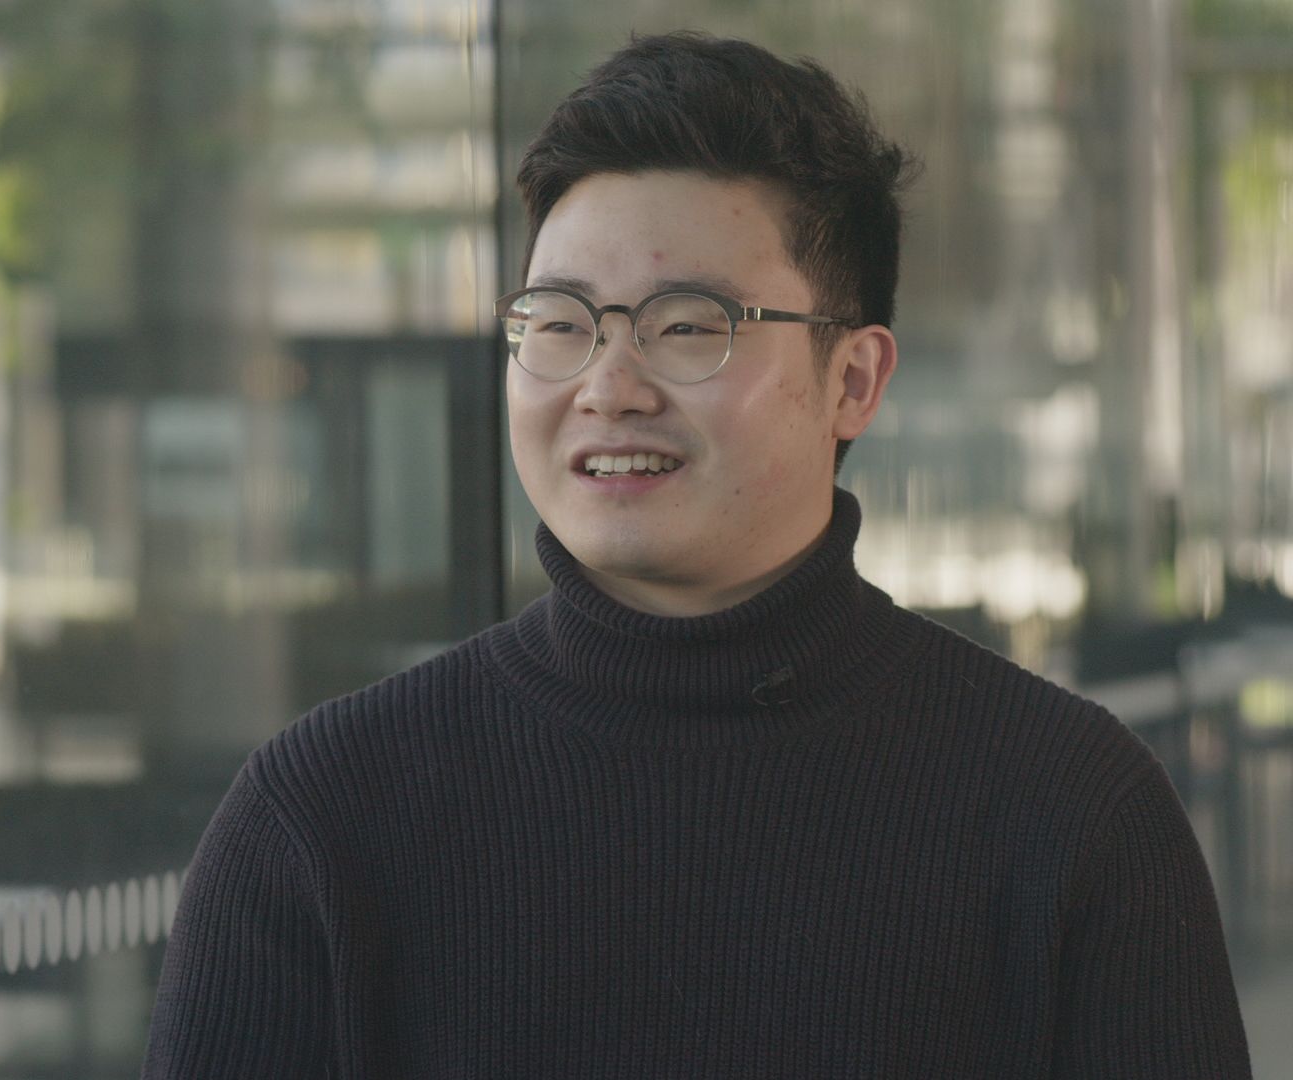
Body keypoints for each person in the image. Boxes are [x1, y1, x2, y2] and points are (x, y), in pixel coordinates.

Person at [141, 31, 1252, 1078]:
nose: (608, 387)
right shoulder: (322, 821)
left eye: (686, 326)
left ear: (853, 380)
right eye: (560, 321)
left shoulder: (1070, 813)